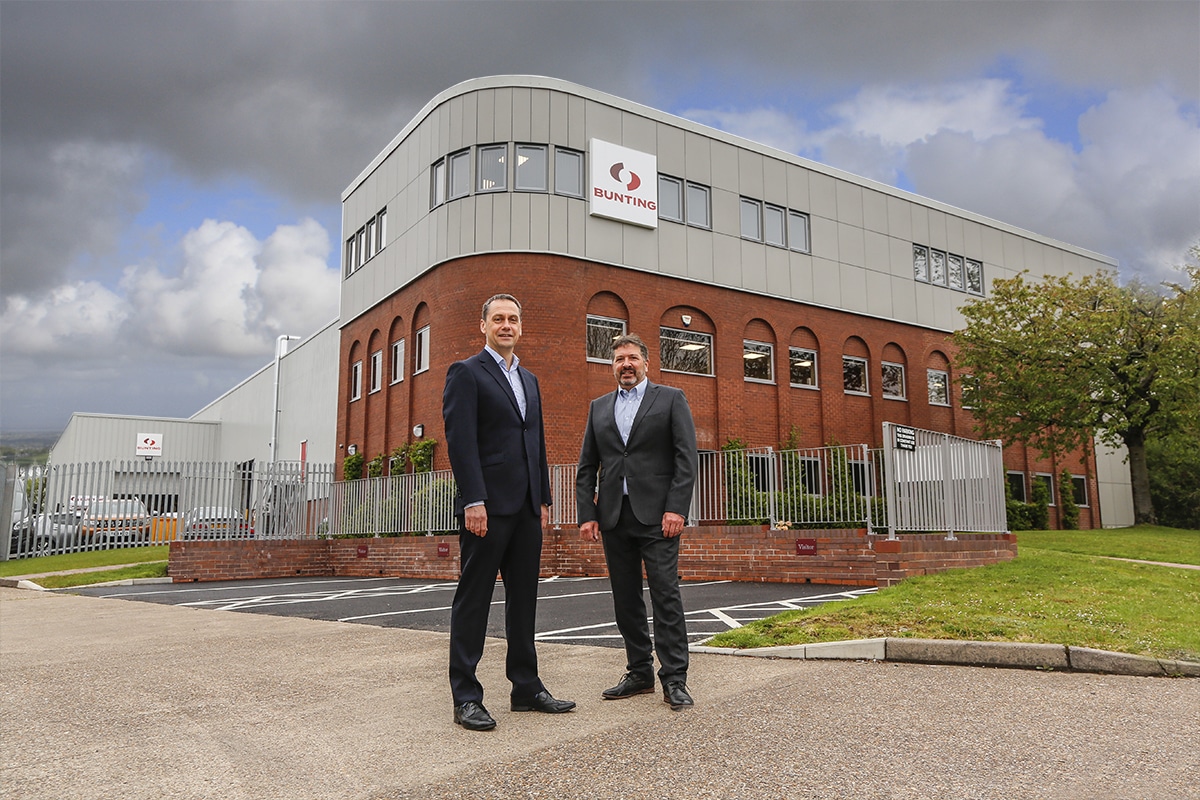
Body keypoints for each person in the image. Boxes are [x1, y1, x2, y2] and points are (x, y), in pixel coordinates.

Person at [441, 293, 575, 731]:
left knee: (525, 599)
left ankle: (526, 686)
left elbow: (534, 441)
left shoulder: (529, 379)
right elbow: (460, 442)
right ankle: (466, 695)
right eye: (497, 318)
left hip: (525, 508)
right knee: (474, 599)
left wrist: (543, 498)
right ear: (482, 325)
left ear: (521, 327)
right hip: (487, 507)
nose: (506, 325)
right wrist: (472, 500)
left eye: (513, 319)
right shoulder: (466, 372)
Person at [576, 333, 699, 710]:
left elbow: (685, 458)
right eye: (618, 359)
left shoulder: (670, 399)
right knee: (625, 599)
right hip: (615, 517)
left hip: (659, 518)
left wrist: (677, 508)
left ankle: (674, 678)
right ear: (611, 366)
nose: (625, 364)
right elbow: (586, 468)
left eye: (632, 358)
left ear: (646, 363)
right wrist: (587, 514)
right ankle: (639, 672)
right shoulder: (598, 407)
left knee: (665, 595)